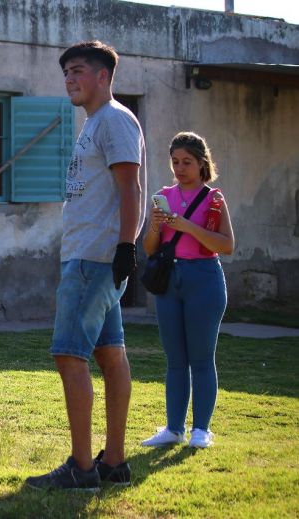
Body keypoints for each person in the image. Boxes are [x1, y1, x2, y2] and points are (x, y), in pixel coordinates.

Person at [26, 41, 147, 490]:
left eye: (78, 71)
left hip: (93, 258)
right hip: (92, 254)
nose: (70, 79)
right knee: (110, 354)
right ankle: (113, 462)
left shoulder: (113, 119)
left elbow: (130, 188)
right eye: (66, 74)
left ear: (103, 75)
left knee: (68, 354)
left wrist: (125, 248)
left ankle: (81, 469)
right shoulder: (96, 123)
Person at [141, 132, 234, 449]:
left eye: (187, 162)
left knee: (202, 359)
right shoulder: (163, 196)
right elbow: (150, 248)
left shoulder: (214, 199)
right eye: (175, 161)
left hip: (205, 279)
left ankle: (201, 430)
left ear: (202, 163)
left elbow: (227, 245)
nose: (180, 168)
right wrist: (156, 224)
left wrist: (187, 226)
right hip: (171, 281)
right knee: (175, 360)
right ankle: (173, 428)